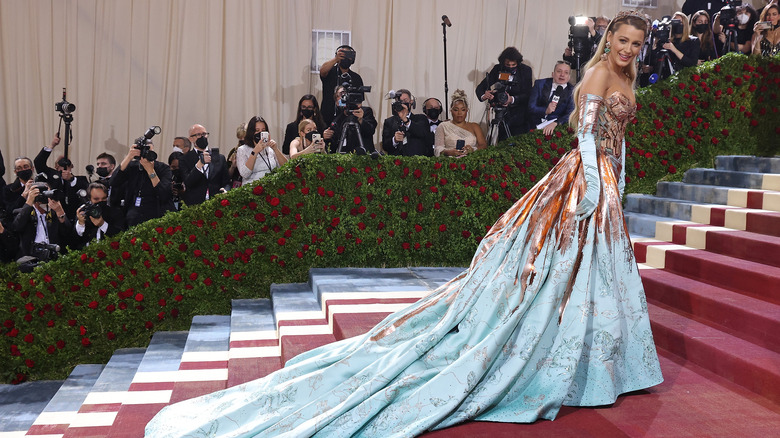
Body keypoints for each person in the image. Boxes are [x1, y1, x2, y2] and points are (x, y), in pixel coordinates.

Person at [145, 12, 662, 436]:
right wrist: (594, 189)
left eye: (637, 43)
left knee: (592, 274)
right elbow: (589, 137)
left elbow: (616, 138)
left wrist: (617, 175)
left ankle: (599, 363)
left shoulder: (627, 75)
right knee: (561, 272)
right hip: (586, 182)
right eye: (622, 40)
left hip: (606, 181)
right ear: (607, 39)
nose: (629, 49)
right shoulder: (597, 75)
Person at [109, 141, 174, 227]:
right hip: (134, 215)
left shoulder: (163, 168)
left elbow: (163, 193)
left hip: (157, 213)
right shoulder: (132, 167)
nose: (146, 154)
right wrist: (129, 157)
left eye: (149, 151)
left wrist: (150, 170)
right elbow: (113, 182)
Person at [476, 47, 533, 141]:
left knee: (517, 143)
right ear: (503, 63)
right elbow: (481, 87)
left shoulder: (525, 70)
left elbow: (528, 94)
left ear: (517, 63)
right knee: (502, 142)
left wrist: (512, 99)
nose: (510, 67)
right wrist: (484, 95)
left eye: (513, 65)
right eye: (507, 64)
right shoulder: (498, 69)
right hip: (501, 114)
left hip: (519, 116)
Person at [10, 179, 72, 259]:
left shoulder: (54, 214)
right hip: (30, 259)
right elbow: (17, 227)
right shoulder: (24, 213)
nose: (46, 198)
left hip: (52, 257)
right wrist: (29, 202)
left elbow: (67, 234)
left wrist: (60, 213)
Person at [33, 134, 89, 222]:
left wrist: (71, 179)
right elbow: (38, 162)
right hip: (53, 216)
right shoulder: (50, 174)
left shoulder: (81, 179)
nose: (64, 167)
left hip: (74, 217)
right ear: (56, 166)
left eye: (67, 165)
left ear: (72, 166)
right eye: (61, 164)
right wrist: (52, 145)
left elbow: (85, 190)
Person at [179, 124, 231, 206]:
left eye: (204, 134)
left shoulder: (219, 157)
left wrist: (226, 190)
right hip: (194, 205)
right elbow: (188, 182)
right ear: (191, 139)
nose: (202, 137)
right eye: (198, 135)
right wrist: (199, 164)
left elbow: (226, 182)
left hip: (216, 203)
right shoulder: (184, 159)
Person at [646, 12, 700, 80]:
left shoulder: (693, 41)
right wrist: (655, 43)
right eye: (675, 21)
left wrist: (673, 49)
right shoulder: (666, 40)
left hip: (684, 79)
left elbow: (692, 63)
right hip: (666, 78)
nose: (677, 25)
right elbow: (652, 61)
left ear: (685, 24)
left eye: (680, 22)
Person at [527, 61, 576, 136]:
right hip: (534, 125)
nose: (562, 75)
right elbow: (531, 107)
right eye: (559, 71)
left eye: (566, 72)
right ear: (553, 74)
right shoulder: (540, 84)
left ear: (569, 77)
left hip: (556, 129)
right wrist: (545, 111)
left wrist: (556, 123)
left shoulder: (572, 91)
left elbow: (570, 114)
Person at [434, 89, 487, 157]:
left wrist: (473, 149)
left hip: (472, 162)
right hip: (450, 163)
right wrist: (448, 152)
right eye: (456, 110)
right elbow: (437, 148)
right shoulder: (443, 126)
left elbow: (483, 145)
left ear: (467, 110)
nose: (459, 113)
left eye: (463, 110)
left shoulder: (475, 126)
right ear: (451, 110)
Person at [236, 116, 288, 185]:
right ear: (251, 132)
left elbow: (286, 167)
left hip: (271, 187)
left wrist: (276, 149)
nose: (260, 133)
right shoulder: (242, 150)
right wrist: (255, 152)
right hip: (252, 189)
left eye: (263, 130)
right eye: (257, 130)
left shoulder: (270, 149)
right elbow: (245, 174)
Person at [320, 45, 364, 126]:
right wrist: (336, 59)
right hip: (327, 117)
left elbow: (359, 100)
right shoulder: (330, 72)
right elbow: (322, 71)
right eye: (343, 55)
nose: (345, 58)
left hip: (348, 118)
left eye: (348, 55)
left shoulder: (356, 78)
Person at [326, 85, 378, 154]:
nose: (344, 96)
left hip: (364, 155)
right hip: (344, 156)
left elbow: (370, 130)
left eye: (345, 93)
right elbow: (334, 144)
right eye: (340, 95)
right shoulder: (337, 120)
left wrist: (360, 119)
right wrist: (326, 136)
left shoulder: (365, 111)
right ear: (337, 103)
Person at [380, 89, 432, 156]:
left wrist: (406, 120)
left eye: (405, 100)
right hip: (396, 162)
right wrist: (394, 140)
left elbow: (422, 133)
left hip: (417, 161)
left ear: (411, 102)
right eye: (400, 101)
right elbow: (385, 146)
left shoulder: (421, 118)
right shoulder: (389, 122)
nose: (402, 103)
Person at [74, 182, 124, 248]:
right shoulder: (83, 212)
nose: (100, 202)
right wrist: (81, 224)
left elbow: (120, 235)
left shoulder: (115, 212)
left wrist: (103, 224)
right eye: (96, 199)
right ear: (89, 199)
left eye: (103, 198)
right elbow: (75, 240)